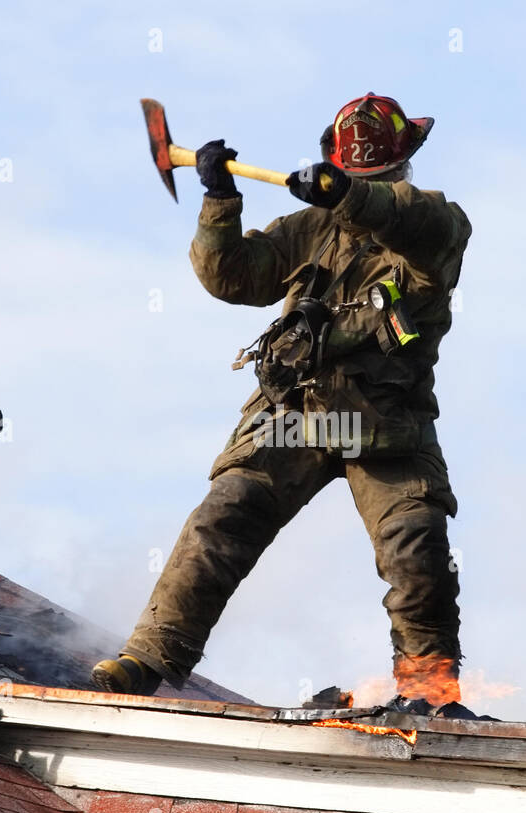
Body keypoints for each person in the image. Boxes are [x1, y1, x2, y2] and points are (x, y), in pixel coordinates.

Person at [94, 93, 474, 717]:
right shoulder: (308, 230)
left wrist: (347, 195)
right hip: (294, 411)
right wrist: (219, 200)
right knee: (226, 515)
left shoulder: (436, 224)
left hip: (384, 423)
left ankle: (431, 692)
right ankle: (148, 657)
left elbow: (413, 219)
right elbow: (232, 277)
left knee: (415, 544)